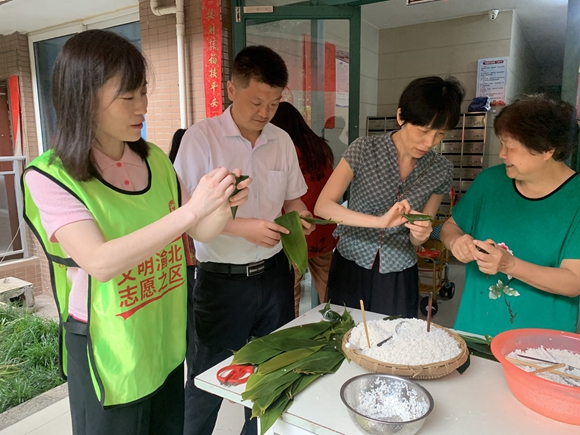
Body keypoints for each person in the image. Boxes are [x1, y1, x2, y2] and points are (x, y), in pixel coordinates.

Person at [21, 29, 250, 435]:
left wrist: (219, 205)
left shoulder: (156, 160)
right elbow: (99, 261)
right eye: (127, 97)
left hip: (160, 338)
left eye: (143, 93)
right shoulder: (50, 175)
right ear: (83, 99)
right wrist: (194, 208)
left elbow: (200, 230)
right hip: (110, 345)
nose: (142, 106)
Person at [173, 45, 314, 435]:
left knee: (272, 375)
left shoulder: (281, 140)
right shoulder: (201, 139)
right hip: (221, 281)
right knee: (208, 379)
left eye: (273, 103)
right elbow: (184, 213)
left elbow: (293, 198)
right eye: (256, 101)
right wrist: (243, 227)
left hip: (273, 276)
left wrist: (300, 216)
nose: (264, 112)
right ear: (231, 89)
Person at [315, 76, 465, 317]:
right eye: (423, 130)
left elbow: (421, 232)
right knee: (344, 337)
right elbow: (323, 206)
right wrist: (378, 221)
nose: (429, 142)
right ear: (401, 117)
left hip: (398, 272)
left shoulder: (441, 169)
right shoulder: (364, 149)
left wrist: (421, 233)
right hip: (351, 263)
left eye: (440, 134)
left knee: (392, 342)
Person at [440, 94, 580, 336]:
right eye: (501, 143)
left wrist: (509, 264)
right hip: (476, 331)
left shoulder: (575, 199)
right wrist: (455, 242)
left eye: (510, 146)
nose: (502, 154)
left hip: (541, 343)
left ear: (547, 149)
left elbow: (573, 282)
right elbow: (449, 227)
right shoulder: (490, 182)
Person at [270, 102, 337, 316]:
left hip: (294, 231)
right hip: (323, 229)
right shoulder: (321, 147)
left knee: (291, 294)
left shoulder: (283, 150)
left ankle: (293, 332)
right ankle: (337, 327)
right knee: (329, 288)